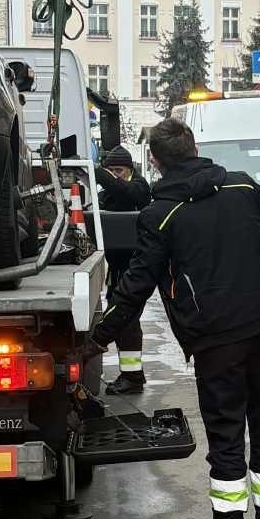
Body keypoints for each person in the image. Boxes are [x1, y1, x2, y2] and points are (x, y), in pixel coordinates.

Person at [90, 116, 260, 519]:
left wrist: (100, 335)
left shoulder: (159, 214)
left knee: (226, 432)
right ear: (195, 148)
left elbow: (136, 284)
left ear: (155, 161)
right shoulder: (243, 187)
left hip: (215, 340)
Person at [94, 145, 152, 394]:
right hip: (117, 269)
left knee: (126, 320)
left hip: (135, 267)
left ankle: (132, 376)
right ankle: (131, 374)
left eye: (119, 170)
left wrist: (101, 173)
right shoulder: (107, 194)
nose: (115, 175)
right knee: (124, 320)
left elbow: (125, 191)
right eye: (111, 170)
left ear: (130, 170)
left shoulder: (139, 187)